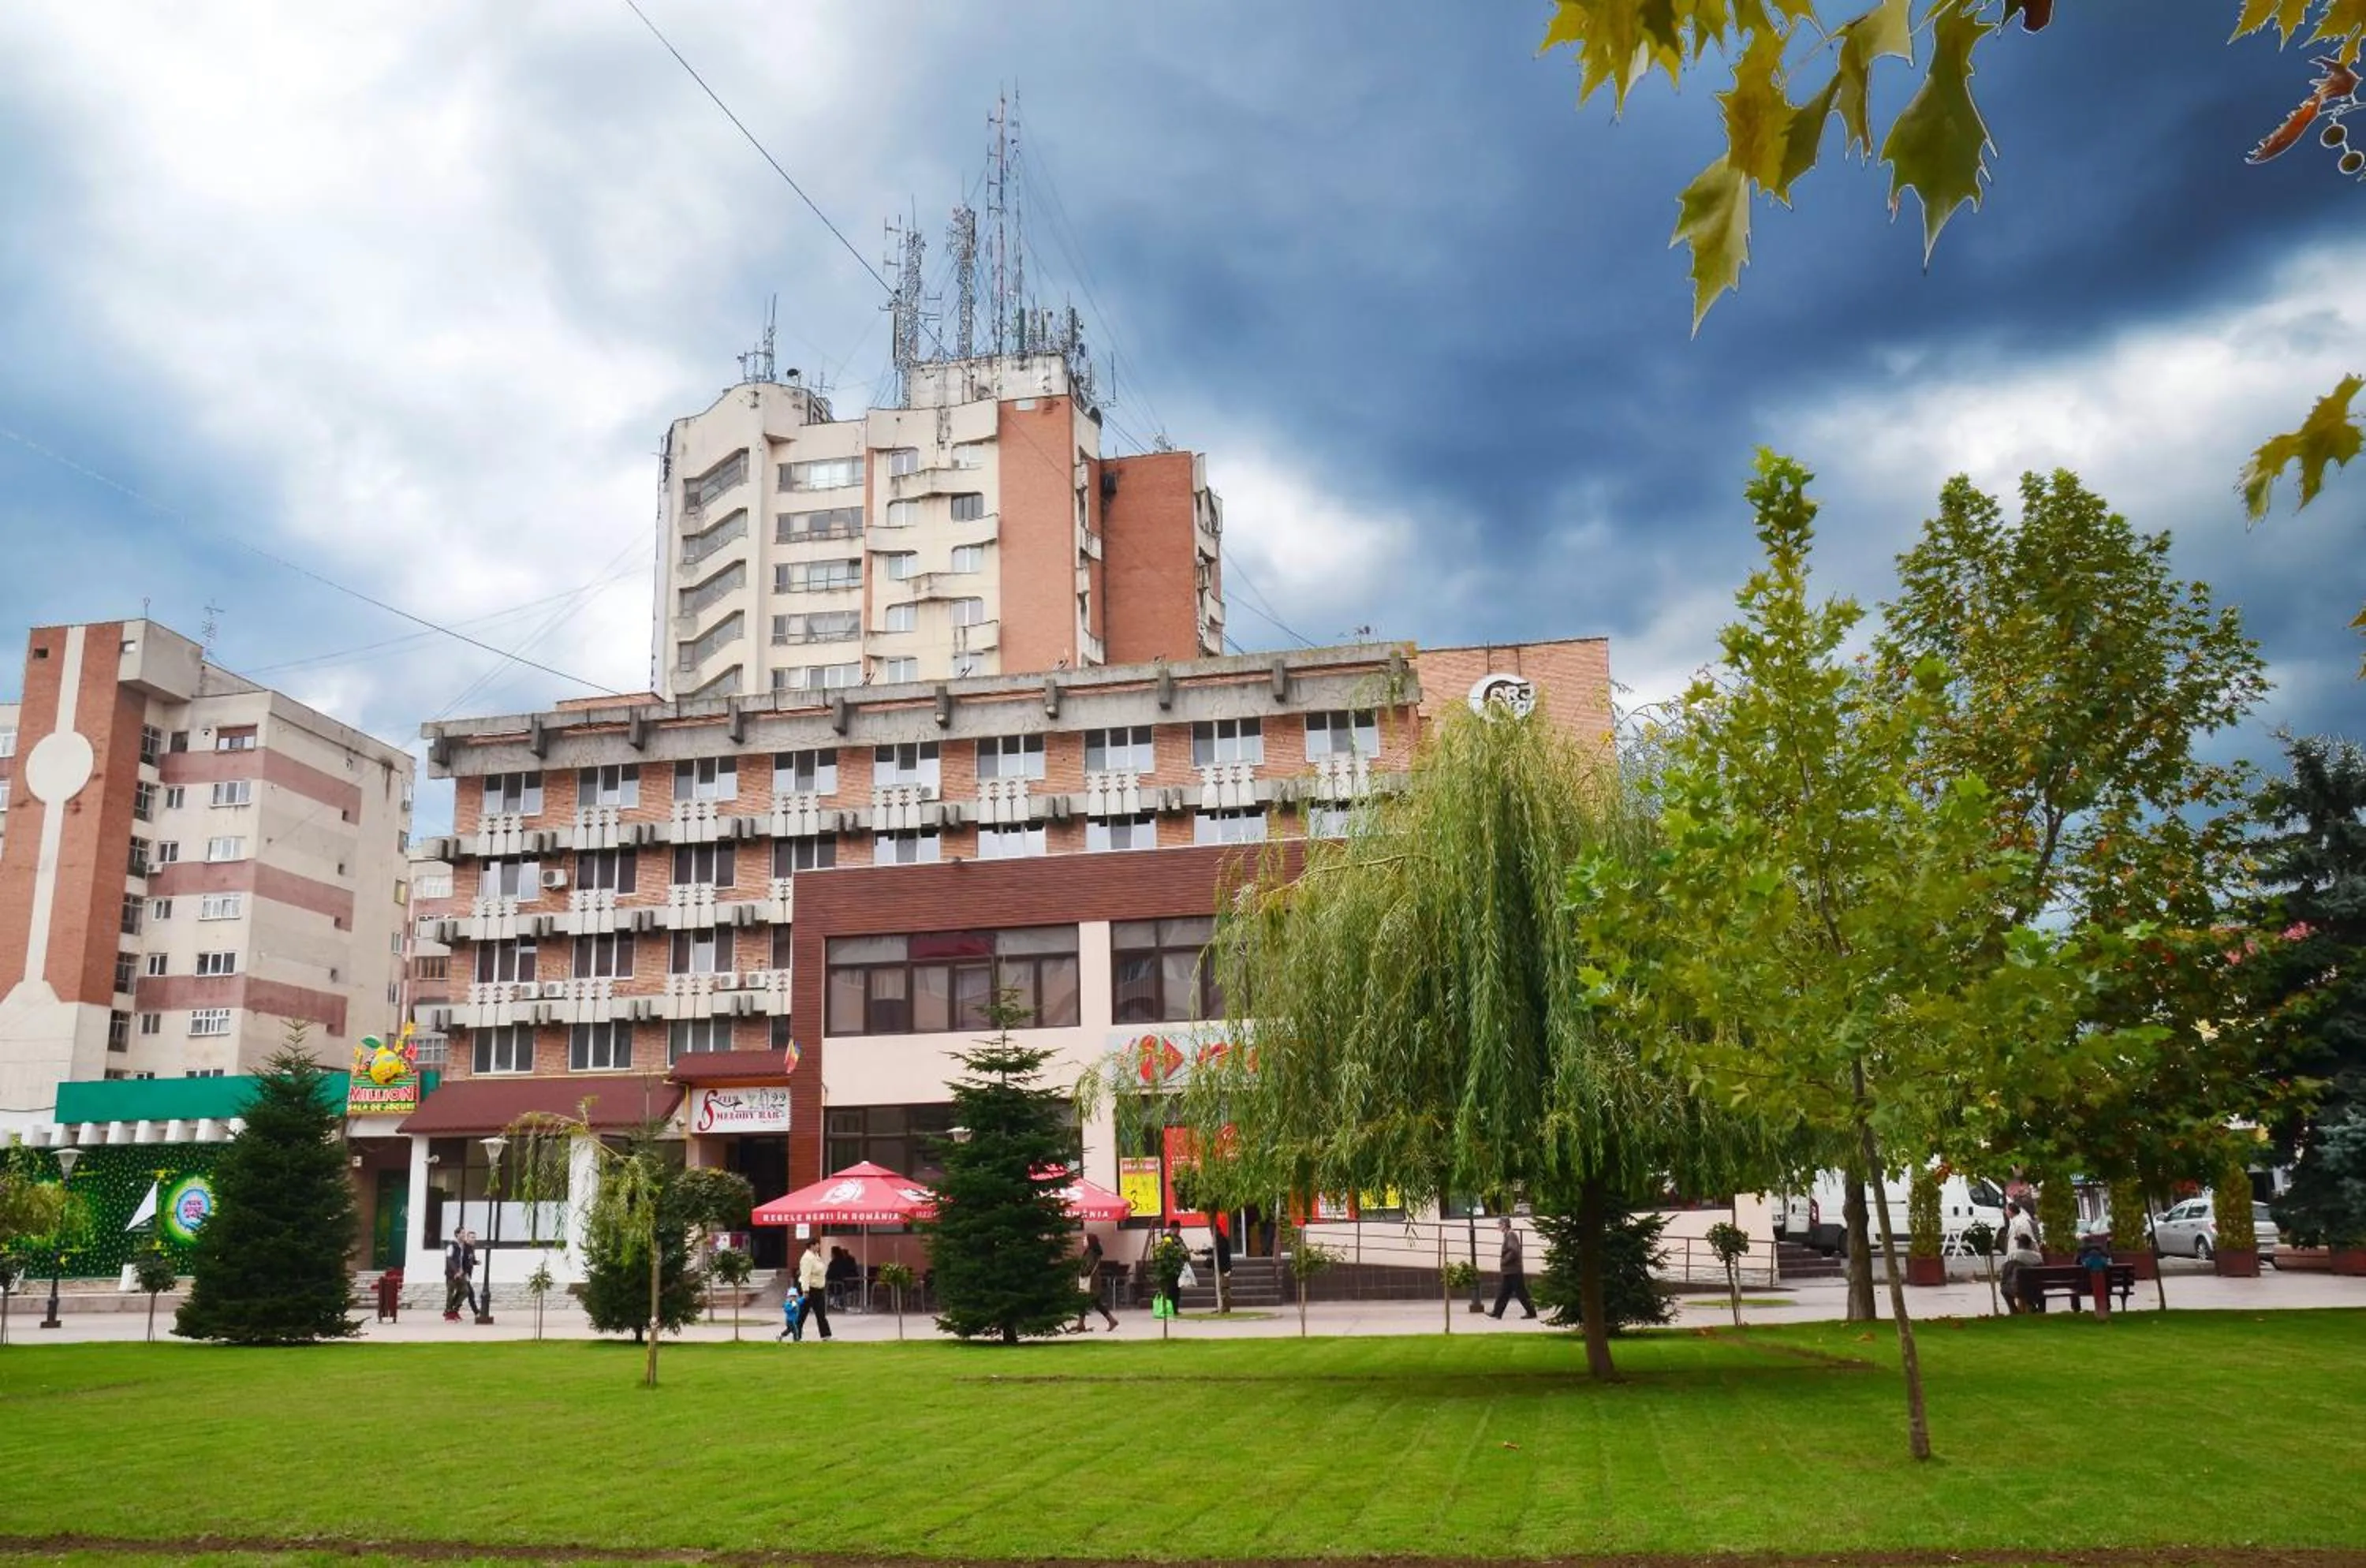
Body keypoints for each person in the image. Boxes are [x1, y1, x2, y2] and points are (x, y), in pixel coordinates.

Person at [1489, 1217, 1537, 1320]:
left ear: (1505, 1225)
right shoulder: (1508, 1235)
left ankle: (1532, 1312)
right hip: (1510, 1270)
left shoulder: (1511, 1235)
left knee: (1521, 1292)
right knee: (1504, 1292)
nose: (1498, 1227)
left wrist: (1504, 1260)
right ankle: (1497, 1312)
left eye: (1500, 1224)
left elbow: (1514, 1251)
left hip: (1513, 1270)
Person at [2001, 1200, 2044, 1314]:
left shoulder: (2020, 1223)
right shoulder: (2038, 1257)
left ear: (2010, 1211)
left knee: (2008, 1286)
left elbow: (2005, 1272)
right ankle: (2029, 1306)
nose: (2005, 1212)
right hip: (2034, 1284)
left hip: (2020, 1281)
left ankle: (2016, 1310)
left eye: (2006, 1210)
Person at [1073, 1233, 1119, 1332]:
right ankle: (1110, 1320)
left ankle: (1082, 1324)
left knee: (1088, 1302)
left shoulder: (1091, 1253)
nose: (1083, 1241)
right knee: (1094, 1302)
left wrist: (1082, 1273)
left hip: (1090, 1283)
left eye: (1085, 1239)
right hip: (1093, 1282)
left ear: (1090, 1241)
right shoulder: (1092, 1252)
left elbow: (1089, 1267)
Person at [797, 1238, 834, 1342]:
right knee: (803, 1313)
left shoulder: (816, 1256)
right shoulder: (807, 1258)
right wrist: (805, 1291)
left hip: (818, 1289)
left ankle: (826, 1335)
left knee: (821, 1313)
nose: (819, 1246)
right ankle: (796, 1333)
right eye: (817, 1244)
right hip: (810, 1289)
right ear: (812, 1245)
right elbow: (805, 1275)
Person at [1151, 1220, 1189, 1320]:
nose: (1179, 1231)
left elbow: (1184, 1249)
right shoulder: (1167, 1238)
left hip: (1178, 1269)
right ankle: (1169, 1309)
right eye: (1178, 1229)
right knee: (1170, 1290)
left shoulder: (1179, 1239)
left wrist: (1186, 1254)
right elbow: (1167, 1252)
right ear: (1173, 1228)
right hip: (1170, 1269)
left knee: (1177, 1290)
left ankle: (1175, 1309)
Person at [1208, 1215, 1233, 1312]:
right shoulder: (1219, 1240)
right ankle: (1222, 1306)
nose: (1211, 1234)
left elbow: (1217, 1252)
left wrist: (1205, 1252)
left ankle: (1225, 1307)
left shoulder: (1221, 1240)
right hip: (1221, 1268)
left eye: (1212, 1231)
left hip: (1224, 1269)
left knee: (1224, 1288)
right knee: (1220, 1288)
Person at [826, 1245, 860, 1310]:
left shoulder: (833, 1263)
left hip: (834, 1286)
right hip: (846, 1285)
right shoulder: (847, 1263)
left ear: (833, 1254)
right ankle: (839, 1304)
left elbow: (828, 1275)